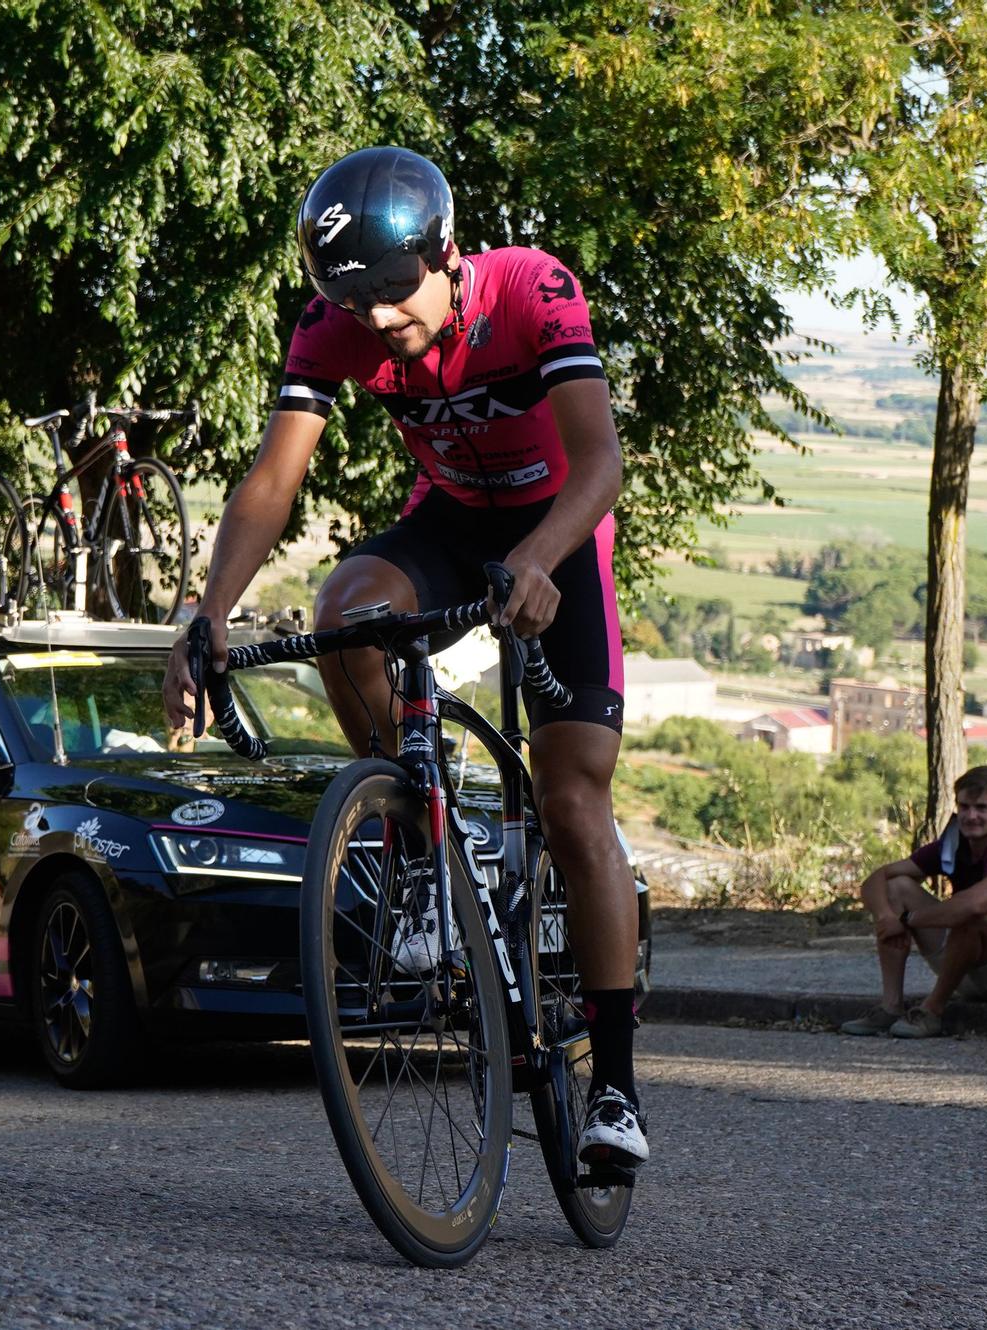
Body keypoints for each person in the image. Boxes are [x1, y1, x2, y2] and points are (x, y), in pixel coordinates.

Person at [162, 147, 647, 1168]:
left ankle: (613, 1086)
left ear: (444, 252)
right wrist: (206, 612)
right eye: (352, 297)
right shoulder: (331, 329)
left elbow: (599, 461)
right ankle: (422, 843)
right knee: (349, 611)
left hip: (557, 526)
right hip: (449, 523)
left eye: (392, 289)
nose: (376, 317)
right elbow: (271, 481)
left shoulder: (531, 290)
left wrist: (539, 554)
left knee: (572, 800)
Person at [840, 766, 987, 1039]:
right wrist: (886, 918)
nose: (970, 815)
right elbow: (875, 879)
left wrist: (906, 920)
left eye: (981, 807)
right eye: (964, 806)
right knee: (896, 888)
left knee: (974, 913)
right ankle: (890, 1006)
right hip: (969, 965)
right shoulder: (953, 845)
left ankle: (932, 1010)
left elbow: (973, 906)